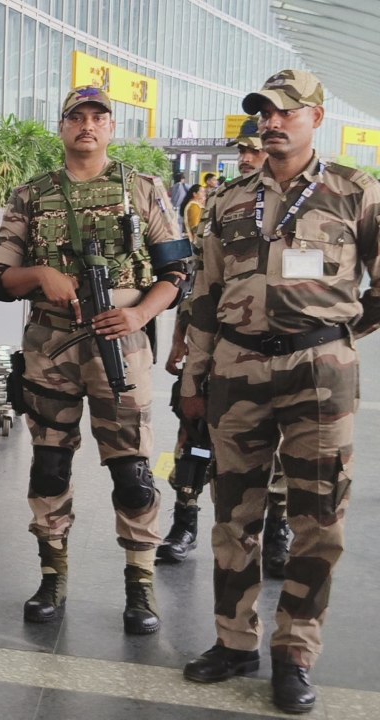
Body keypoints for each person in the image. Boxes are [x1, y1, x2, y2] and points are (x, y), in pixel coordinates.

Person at [179, 69, 380, 714]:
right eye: (264, 112)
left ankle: (295, 651)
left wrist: (338, 331)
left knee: (318, 519)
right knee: (233, 515)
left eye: (285, 112)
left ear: (316, 117)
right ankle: (234, 640)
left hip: (319, 374)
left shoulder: (356, 192)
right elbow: (204, 296)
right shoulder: (230, 200)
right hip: (237, 370)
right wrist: (193, 378)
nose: (271, 121)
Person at [0, 86, 192, 636]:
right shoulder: (32, 195)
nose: (88, 126)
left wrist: (141, 314)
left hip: (121, 347)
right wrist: (38, 276)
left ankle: (140, 584)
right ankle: (52, 576)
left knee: (133, 474)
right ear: (62, 127)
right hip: (50, 349)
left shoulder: (143, 190)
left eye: (99, 117)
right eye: (77, 117)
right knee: (49, 465)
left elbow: (177, 273)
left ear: (111, 128)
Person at [160, 127, 291, 571]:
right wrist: (181, 340)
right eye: (242, 150)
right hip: (215, 345)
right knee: (193, 435)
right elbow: (202, 283)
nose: (247, 157)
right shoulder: (225, 203)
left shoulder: (295, 205)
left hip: (277, 352)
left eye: (254, 151)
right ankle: (184, 521)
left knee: (276, 449)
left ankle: (277, 532)